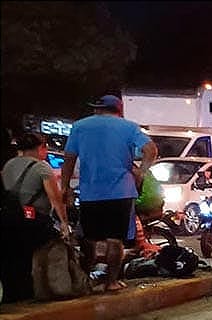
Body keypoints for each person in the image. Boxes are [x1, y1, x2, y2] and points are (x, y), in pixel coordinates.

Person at [61, 95, 157, 292]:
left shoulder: (80, 126)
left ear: (98, 109)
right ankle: (111, 281)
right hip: (121, 192)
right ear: (119, 110)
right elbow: (151, 149)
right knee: (115, 239)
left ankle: (84, 279)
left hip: (91, 192)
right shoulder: (128, 127)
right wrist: (141, 171)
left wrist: (66, 187)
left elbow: (69, 158)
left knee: (89, 238)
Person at [1, 132, 70, 302]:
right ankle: (33, 292)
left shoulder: (8, 165)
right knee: (34, 257)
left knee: (12, 260)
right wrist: (64, 223)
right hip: (32, 222)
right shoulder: (41, 167)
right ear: (41, 148)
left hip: (8, 220)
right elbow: (56, 199)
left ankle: (12, 296)